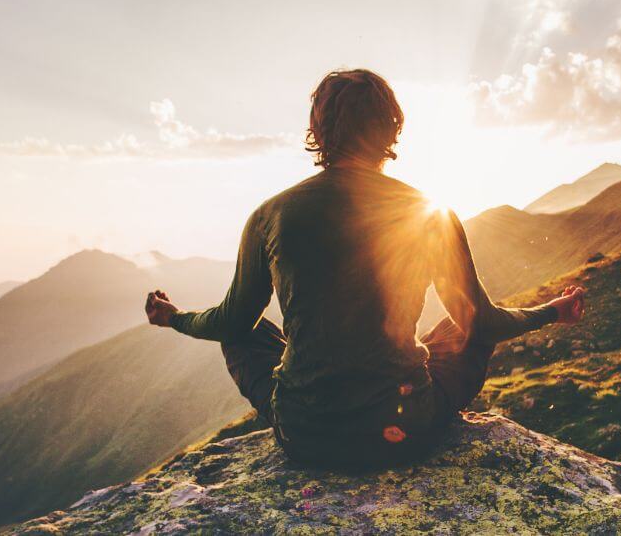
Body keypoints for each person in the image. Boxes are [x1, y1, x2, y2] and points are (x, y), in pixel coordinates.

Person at [145, 69, 585, 469]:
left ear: (318, 131)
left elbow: (229, 321)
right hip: (403, 433)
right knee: (462, 327)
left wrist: (174, 317)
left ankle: (311, 397)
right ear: (392, 128)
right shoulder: (429, 212)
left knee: (246, 330)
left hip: (305, 435)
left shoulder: (271, 215)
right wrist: (551, 310)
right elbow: (484, 323)